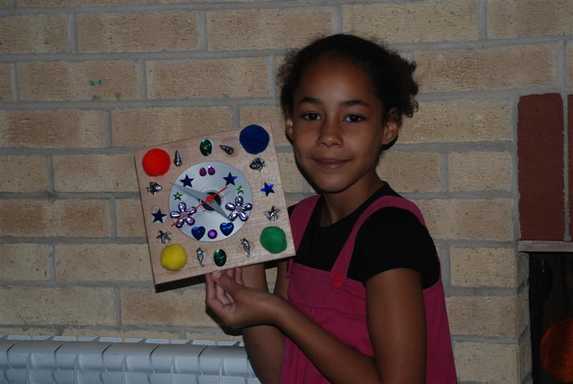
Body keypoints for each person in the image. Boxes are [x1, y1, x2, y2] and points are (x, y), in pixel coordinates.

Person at [205, 33, 457, 383]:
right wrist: (250, 283)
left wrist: (278, 312)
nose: (329, 135)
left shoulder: (390, 233)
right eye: (311, 115)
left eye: (352, 118)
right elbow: (283, 373)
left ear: (388, 127)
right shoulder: (295, 221)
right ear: (290, 125)